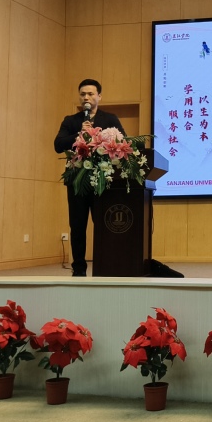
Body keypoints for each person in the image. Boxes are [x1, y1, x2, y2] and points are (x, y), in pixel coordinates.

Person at [54, 79, 125, 277]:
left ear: (99, 96)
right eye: (83, 94)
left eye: (91, 94)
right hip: (77, 180)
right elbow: (58, 145)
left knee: (103, 225)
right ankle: (79, 269)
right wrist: (80, 134)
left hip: (102, 180)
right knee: (77, 225)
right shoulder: (71, 121)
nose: (86, 97)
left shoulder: (110, 119)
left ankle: (105, 266)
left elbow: (124, 142)